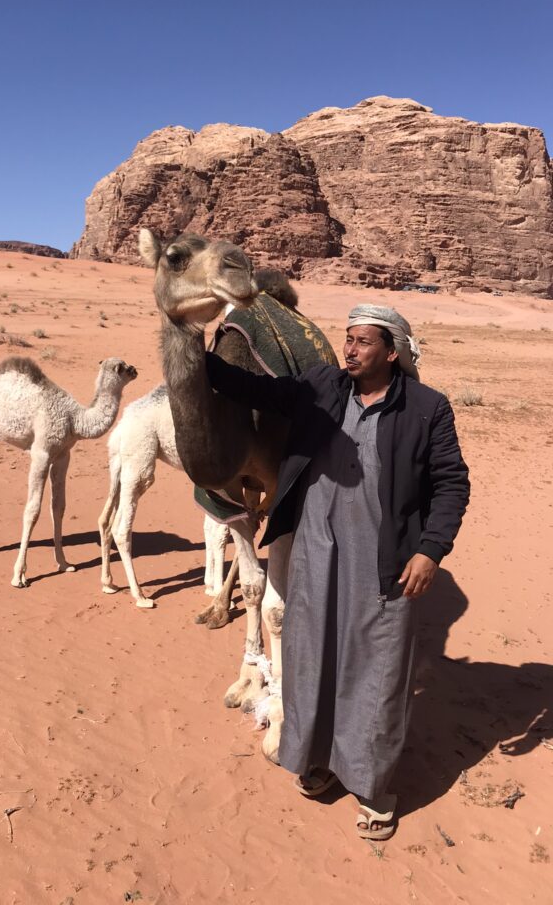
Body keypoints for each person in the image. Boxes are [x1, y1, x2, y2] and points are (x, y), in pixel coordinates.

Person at [205, 303, 470, 840]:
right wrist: (189, 348)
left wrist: (431, 549)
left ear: (391, 351)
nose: (348, 348)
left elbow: (451, 483)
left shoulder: (426, 409)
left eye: (362, 341)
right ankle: (318, 758)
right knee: (312, 658)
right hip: (317, 550)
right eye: (347, 338)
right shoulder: (322, 386)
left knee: (377, 672)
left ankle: (372, 788)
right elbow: (255, 390)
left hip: (387, 561)